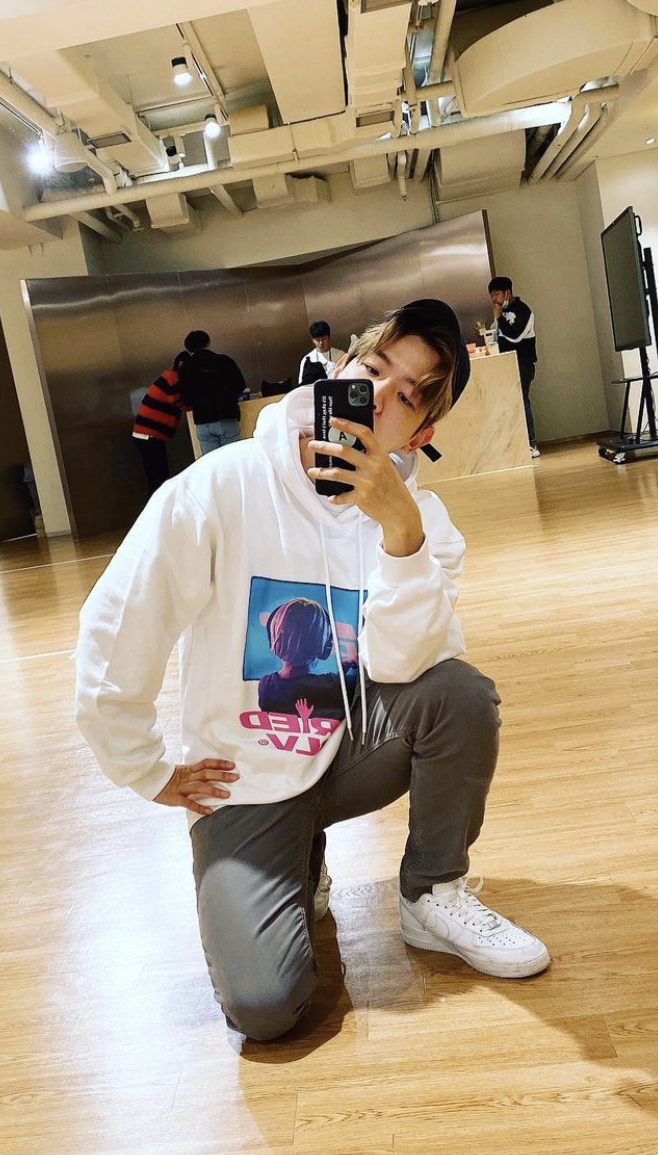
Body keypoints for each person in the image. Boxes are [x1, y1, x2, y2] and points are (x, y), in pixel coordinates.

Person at [75, 297, 550, 1044]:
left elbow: (404, 664)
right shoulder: (222, 486)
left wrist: (400, 532)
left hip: (349, 749)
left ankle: (431, 892)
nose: (379, 396)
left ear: (420, 435)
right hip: (244, 777)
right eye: (374, 369)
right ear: (339, 370)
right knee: (265, 1005)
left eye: (408, 396)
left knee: (459, 695)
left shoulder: (423, 522)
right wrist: (144, 768)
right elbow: (119, 624)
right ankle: (296, 856)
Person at [488, 277, 540, 458]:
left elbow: (515, 336)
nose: (494, 299)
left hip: (523, 363)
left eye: (497, 294)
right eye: (492, 295)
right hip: (507, 364)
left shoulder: (523, 311)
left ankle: (531, 444)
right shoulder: (501, 312)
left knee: (522, 401)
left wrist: (499, 318)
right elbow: (498, 337)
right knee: (513, 403)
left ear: (507, 293)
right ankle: (518, 446)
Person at [178, 330, 246, 454]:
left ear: (188, 348)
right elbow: (240, 385)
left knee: (212, 463)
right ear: (208, 343)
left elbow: (185, 398)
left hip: (203, 421)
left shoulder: (185, 368)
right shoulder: (224, 361)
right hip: (227, 416)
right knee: (233, 460)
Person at [132, 356, 188, 498]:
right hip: (148, 436)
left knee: (157, 475)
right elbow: (179, 402)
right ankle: (159, 505)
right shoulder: (171, 378)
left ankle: (159, 504)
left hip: (147, 435)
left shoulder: (169, 377)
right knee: (158, 476)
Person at [298, 320, 346, 385]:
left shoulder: (341, 355)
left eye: (323, 339)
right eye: (317, 340)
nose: (321, 343)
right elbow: (302, 384)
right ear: (313, 340)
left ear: (329, 337)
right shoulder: (308, 359)